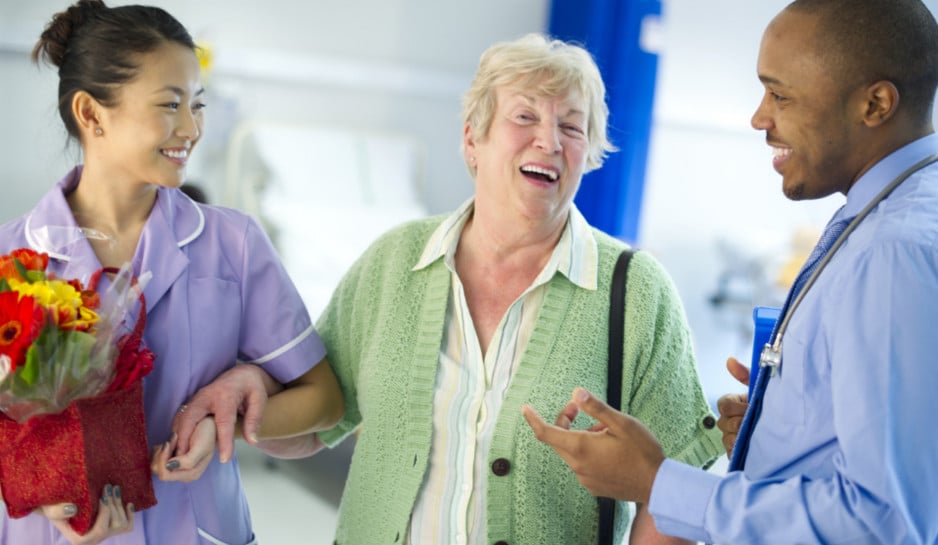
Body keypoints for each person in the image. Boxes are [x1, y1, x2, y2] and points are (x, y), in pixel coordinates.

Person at [264, 33, 721, 544]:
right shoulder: (393, 264)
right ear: (472, 141)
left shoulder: (637, 292)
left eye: (571, 126)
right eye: (524, 117)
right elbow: (312, 420)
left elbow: (678, 481)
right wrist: (233, 400)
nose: (548, 141)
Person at [523, 0, 938, 543]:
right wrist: (783, 425)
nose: (759, 117)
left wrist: (656, 482)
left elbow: (885, 522)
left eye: (780, 95)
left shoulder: (892, 250)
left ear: (876, 103)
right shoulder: (885, 214)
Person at [0, 1, 343, 544]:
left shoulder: (234, 244)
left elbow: (324, 400)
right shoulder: (12, 255)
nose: (191, 128)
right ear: (91, 114)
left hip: (193, 527)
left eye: (197, 105)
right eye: (169, 104)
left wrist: (222, 422)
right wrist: (37, 481)